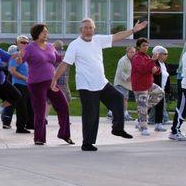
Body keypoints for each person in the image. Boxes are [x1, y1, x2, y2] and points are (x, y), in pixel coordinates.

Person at [52, 18, 145, 151]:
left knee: (118, 98)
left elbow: (116, 36)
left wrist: (133, 30)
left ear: (94, 29)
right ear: (81, 29)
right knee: (91, 114)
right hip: (86, 85)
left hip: (101, 82)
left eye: (90, 28)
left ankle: (117, 129)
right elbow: (64, 64)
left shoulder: (98, 40)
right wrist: (54, 79)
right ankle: (87, 143)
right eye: (85, 28)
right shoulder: (75, 45)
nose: (88, 30)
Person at [20, 24, 72, 145]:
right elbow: (21, 60)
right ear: (37, 33)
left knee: (63, 105)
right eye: (44, 32)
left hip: (51, 83)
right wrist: (18, 58)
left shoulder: (50, 46)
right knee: (40, 111)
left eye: (47, 32)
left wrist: (70, 55)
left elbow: (58, 58)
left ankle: (65, 134)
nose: (46, 34)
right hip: (36, 84)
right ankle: (39, 138)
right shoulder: (30, 48)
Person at [131, 38, 164, 136]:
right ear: (138, 47)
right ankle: (143, 128)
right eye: (143, 46)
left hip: (149, 84)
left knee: (160, 93)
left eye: (147, 45)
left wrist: (157, 70)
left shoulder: (146, 56)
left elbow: (154, 69)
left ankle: (142, 110)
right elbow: (142, 69)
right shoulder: (137, 57)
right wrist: (153, 60)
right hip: (140, 87)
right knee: (142, 107)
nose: (146, 47)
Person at [2, 35, 33, 131]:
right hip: (19, 84)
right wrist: (25, 78)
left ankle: (30, 124)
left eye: (27, 42)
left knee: (30, 106)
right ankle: (20, 127)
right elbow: (12, 71)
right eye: (23, 42)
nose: (25, 44)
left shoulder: (27, 55)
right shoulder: (15, 55)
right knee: (21, 107)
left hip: (28, 85)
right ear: (17, 43)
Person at [111, 46, 136, 121]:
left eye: (134, 52)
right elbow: (122, 73)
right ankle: (124, 114)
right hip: (121, 83)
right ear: (127, 52)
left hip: (126, 84)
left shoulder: (132, 59)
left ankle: (111, 113)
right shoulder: (123, 60)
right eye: (131, 52)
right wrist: (131, 77)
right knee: (124, 99)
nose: (133, 53)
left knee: (121, 99)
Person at [151, 45, 169, 132]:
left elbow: (168, 75)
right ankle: (141, 122)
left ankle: (158, 124)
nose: (166, 55)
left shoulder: (164, 64)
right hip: (154, 88)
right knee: (148, 105)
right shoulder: (154, 63)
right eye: (165, 54)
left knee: (160, 106)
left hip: (161, 88)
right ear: (159, 54)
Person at [169, 44, 186, 141]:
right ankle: (174, 130)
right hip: (184, 82)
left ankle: (176, 130)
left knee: (183, 107)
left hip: (183, 80)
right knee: (182, 107)